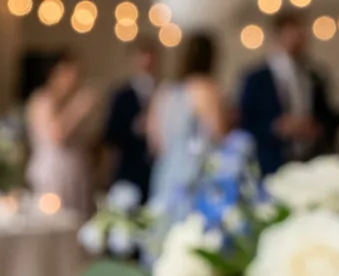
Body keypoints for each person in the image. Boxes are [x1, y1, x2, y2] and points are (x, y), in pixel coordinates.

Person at [239, 10, 336, 175]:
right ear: (279, 35)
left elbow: (327, 114)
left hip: (311, 160)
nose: (299, 38)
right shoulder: (256, 78)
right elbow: (245, 121)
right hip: (272, 162)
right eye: (293, 33)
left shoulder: (315, 75)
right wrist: (276, 127)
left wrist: (315, 127)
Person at [147, 32, 228, 211]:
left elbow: (155, 142)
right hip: (196, 177)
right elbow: (219, 137)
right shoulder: (206, 88)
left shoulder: (164, 91)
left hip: (166, 173)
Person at [26, 52, 98, 218]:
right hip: (53, 174)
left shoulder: (68, 101)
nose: (73, 80)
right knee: (55, 221)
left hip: (76, 172)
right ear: (54, 74)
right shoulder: (43, 100)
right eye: (69, 74)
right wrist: (78, 107)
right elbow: (56, 136)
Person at [104, 40, 159, 202]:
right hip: (129, 168)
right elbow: (110, 134)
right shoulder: (121, 95)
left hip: (155, 169)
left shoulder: (164, 91)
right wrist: (135, 128)